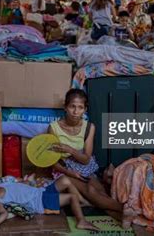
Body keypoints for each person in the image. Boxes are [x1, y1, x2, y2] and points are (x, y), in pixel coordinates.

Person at [47, 89, 123, 217]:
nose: (76, 112)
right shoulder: (54, 127)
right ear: (65, 107)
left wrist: (69, 149)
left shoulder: (89, 127)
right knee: (90, 190)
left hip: (85, 166)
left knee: (100, 192)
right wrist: (69, 173)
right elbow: (51, 161)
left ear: (85, 109)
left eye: (80, 108)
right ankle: (126, 210)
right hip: (64, 169)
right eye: (72, 107)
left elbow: (86, 159)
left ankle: (122, 216)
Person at [0, 170, 98, 232]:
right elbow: (3, 213)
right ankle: (81, 220)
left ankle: (83, 202)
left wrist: (29, 183)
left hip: (41, 192)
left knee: (65, 180)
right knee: (71, 197)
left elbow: (17, 186)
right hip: (41, 202)